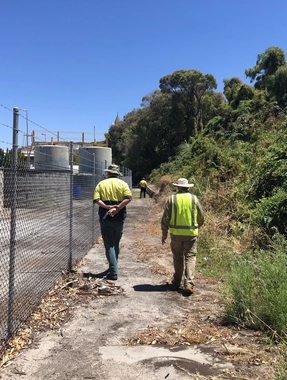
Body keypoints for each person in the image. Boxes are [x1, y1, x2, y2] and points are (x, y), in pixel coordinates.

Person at [161, 178, 204, 294]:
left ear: (177, 187)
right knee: (190, 257)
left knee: (178, 257)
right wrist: (197, 226)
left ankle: (176, 282)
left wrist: (164, 233)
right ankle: (189, 283)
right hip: (191, 234)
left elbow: (166, 217)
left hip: (176, 234)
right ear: (188, 187)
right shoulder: (194, 199)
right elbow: (201, 217)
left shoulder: (172, 199)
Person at [93, 164, 132, 280]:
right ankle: (114, 263)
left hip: (105, 217)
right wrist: (117, 208)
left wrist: (107, 207)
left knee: (109, 244)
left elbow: (96, 200)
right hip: (119, 217)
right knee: (116, 242)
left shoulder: (101, 184)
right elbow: (129, 198)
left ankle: (113, 271)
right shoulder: (123, 184)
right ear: (117, 173)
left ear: (108, 173)